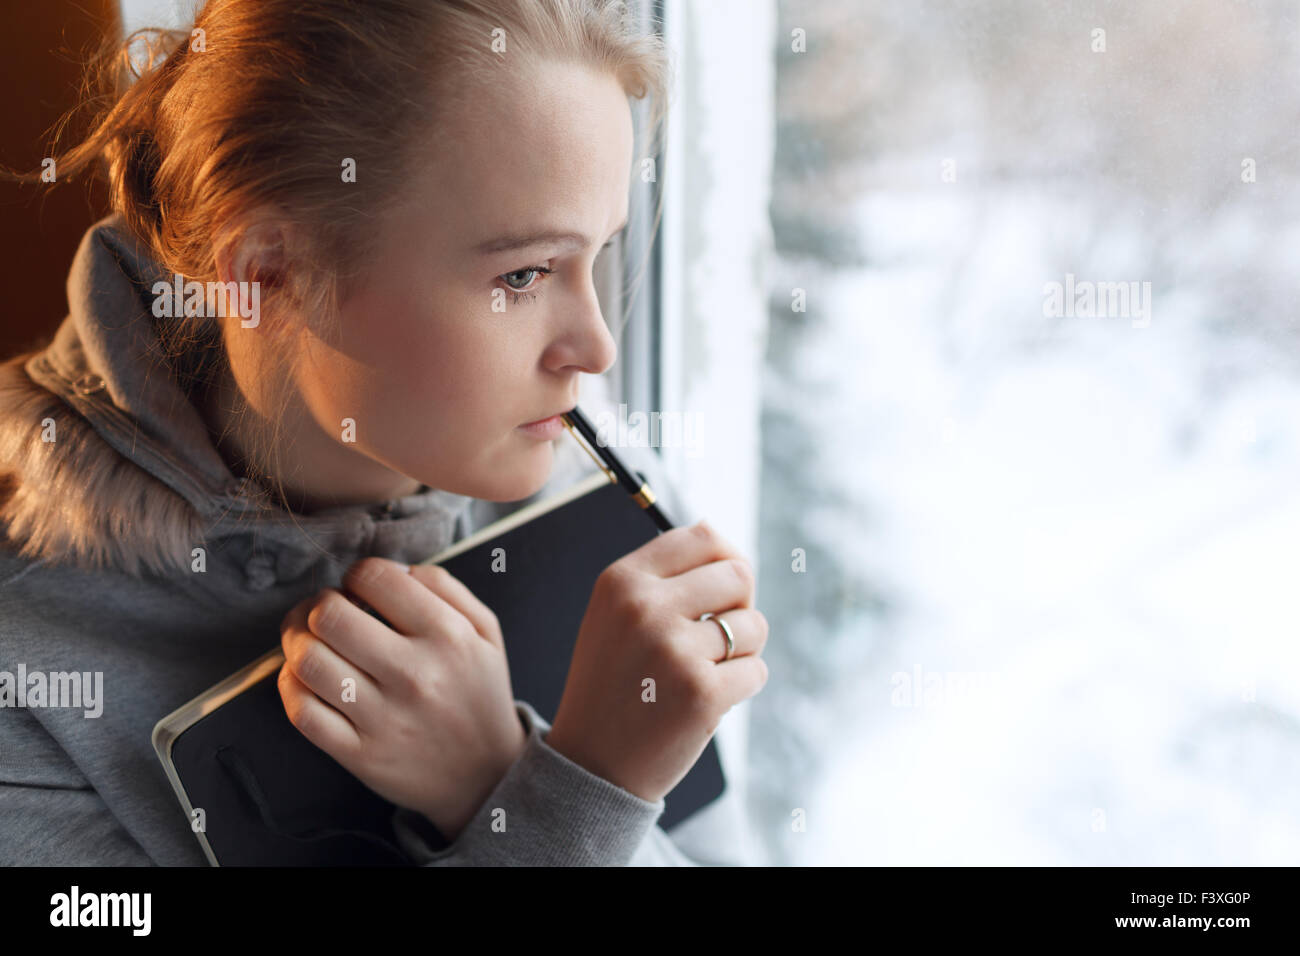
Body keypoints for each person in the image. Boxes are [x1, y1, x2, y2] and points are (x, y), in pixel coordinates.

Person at [0, 0, 768, 866]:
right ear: (266, 275)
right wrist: (566, 798)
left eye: (598, 257)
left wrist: (497, 782)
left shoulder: (586, 470)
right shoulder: (26, 665)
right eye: (522, 274)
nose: (596, 346)